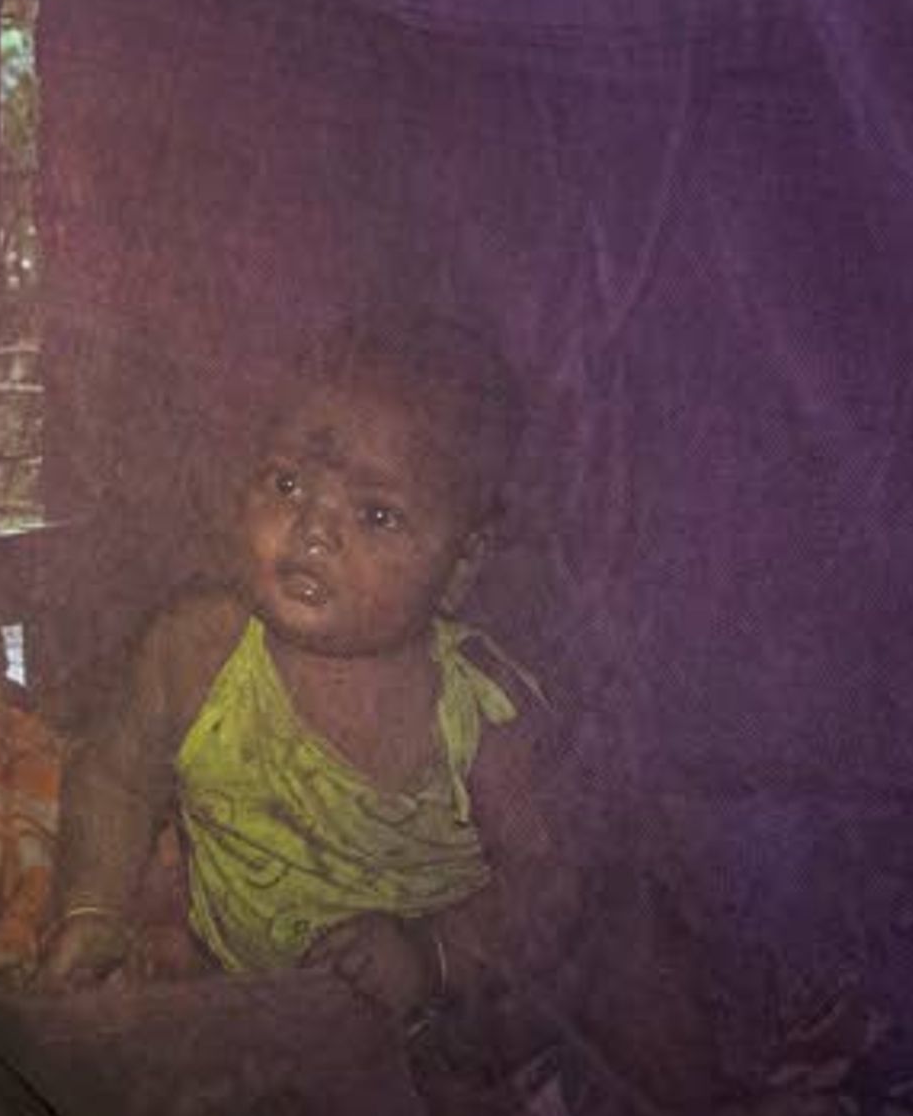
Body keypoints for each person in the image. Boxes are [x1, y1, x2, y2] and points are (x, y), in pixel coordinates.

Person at [38, 318, 554, 1031]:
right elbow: (116, 776)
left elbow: (550, 882)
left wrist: (433, 955)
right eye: (287, 483)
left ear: (460, 562)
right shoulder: (198, 649)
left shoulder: (476, 713)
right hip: (239, 1016)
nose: (313, 529)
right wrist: (91, 909)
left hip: (429, 1037)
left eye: (376, 514)